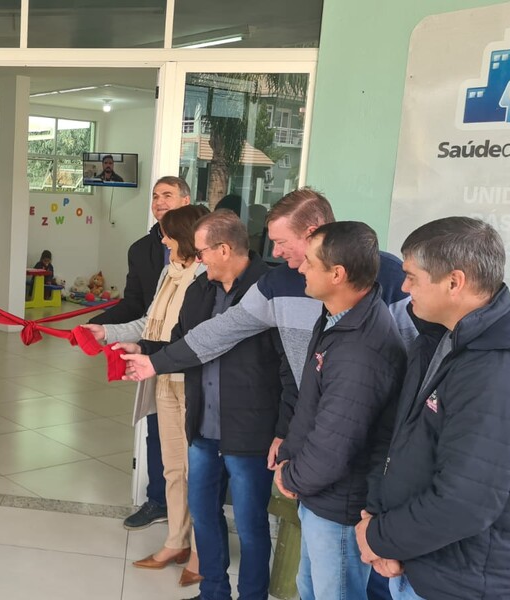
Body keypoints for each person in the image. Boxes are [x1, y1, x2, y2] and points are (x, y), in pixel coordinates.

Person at [121, 188, 417, 600]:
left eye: (281, 241)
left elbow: (410, 368)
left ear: (313, 234)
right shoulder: (279, 283)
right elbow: (222, 331)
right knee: (317, 578)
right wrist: (156, 362)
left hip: (373, 457)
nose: (275, 251)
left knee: (366, 574)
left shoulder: (389, 281)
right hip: (321, 451)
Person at [357, 217, 510, 600]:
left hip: (465, 585)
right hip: (418, 564)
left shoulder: (504, 374)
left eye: (412, 276)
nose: (404, 287)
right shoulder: (439, 340)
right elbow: (397, 443)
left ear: (454, 282)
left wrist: (378, 538)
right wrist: (381, 527)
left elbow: (465, 503)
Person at [272, 222, 407, 600]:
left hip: (339, 506)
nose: (300, 267)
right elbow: (312, 408)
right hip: (320, 496)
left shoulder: (363, 348)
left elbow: (335, 444)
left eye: (310, 262)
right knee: (309, 588)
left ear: (337, 274)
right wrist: (288, 456)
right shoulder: (339, 318)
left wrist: (292, 476)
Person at [83, 205, 207, 584]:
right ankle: (176, 541)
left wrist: (153, 355)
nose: (163, 241)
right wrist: (106, 332)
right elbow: (147, 323)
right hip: (162, 377)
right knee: (173, 467)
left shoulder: (206, 277)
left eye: (168, 235)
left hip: (192, 383)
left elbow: (196, 339)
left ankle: (201, 553)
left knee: (197, 471)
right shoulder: (170, 272)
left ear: (184, 237)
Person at [173, 211, 289, 600]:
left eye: (201, 251)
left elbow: (290, 369)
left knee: (251, 525)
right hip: (203, 428)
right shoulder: (199, 289)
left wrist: (283, 430)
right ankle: (214, 592)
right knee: (204, 516)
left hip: (250, 434)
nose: (197, 259)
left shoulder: (271, 289)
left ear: (224, 249)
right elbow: (180, 344)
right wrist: (137, 349)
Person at [89, 175, 193, 530]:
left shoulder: (206, 260)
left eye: (168, 195)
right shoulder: (144, 252)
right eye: (155, 196)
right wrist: (99, 327)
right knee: (156, 430)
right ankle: (159, 502)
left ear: (186, 201)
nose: (159, 202)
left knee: (194, 449)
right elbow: (139, 309)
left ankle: (193, 519)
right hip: (153, 357)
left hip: (189, 365)